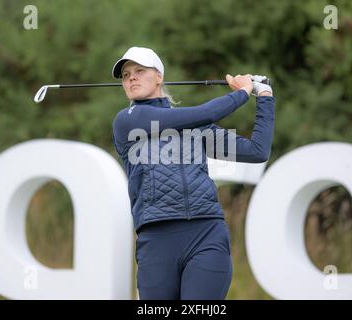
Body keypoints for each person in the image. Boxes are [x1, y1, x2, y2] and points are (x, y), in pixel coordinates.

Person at [112, 46, 275, 300]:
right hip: (157, 241)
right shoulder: (128, 121)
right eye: (125, 75)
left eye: (139, 71)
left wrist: (264, 96)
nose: (131, 78)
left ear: (159, 76)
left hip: (206, 234)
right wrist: (243, 92)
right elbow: (205, 113)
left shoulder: (194, 128)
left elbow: (257, 151)